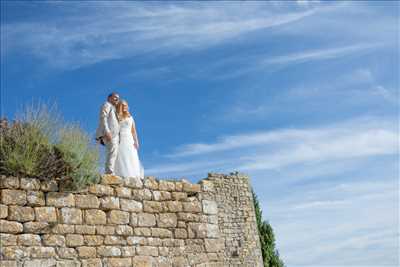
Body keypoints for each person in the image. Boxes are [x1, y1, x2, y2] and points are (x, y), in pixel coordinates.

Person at [113, 99, 144, 178]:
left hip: (129, 139)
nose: (124, 107)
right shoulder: (116, 116)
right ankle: (121, 175)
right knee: (121, 156)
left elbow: (133, 131)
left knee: (131, 156)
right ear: (119, 106)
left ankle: (132, 175)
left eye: (125, 105)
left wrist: (136, 141)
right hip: (120, 138)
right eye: (122, 105)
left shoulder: (130, 117)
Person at [95, 92, 120, 174]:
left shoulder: (114, 109)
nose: (117, 99)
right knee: (112, 151)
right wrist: (107, 131)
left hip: (115, 135)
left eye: (118, 98)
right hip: (109, 133)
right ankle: (109, 171)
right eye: (115, 97)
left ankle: (110, 170)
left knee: (114, 152)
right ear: (109, 98)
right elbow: (103, 117)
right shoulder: (107, 105)